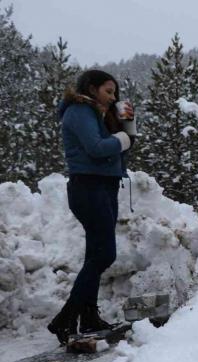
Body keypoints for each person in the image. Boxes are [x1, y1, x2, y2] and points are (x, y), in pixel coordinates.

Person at [48, 70, 136, 344]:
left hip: (104, 187)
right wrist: (122, 139)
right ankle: (65, 318)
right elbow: (97, 148)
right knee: (104, 255)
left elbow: (121, 150)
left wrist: (127, 125)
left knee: (95, 255)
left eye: (114, 93)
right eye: (108, 91)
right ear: (91, 88)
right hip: (89, 188)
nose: (112, 97)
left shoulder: (97, 115)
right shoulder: (79, 111)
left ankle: (87, 317)